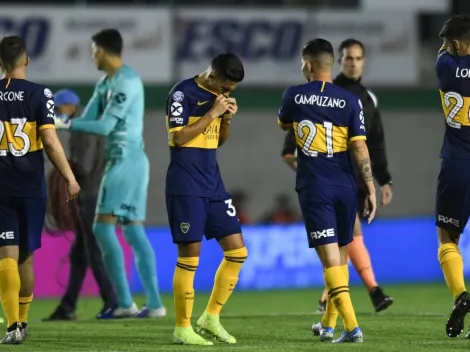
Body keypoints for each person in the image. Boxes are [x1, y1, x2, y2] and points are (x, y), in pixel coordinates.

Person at [53, 29, 165, 319]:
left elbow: (102, 127)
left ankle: (127, 303)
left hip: (127, 161)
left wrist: (63, 125)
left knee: (103, 228)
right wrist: (63, 120)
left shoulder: (127, 82)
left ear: (101, 50)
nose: (92, 56)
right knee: (132, 230)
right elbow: (87, 117)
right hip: (126, 162)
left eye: (92, 51)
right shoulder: (105, 83)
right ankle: (152, 305)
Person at [282, 38, 394, 314]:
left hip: (342, 182)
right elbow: (290, 147)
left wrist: (384, 179)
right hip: (341, 180)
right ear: (338, 62)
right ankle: (370, 291)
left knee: (339, 248)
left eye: (358, 58)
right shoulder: (345, 98)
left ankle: (341, 304)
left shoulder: (366, 98)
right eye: (349, 58)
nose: (353, 63)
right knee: (347, 241)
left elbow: (374, 142)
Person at [0, 36, 80, 344]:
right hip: (29, 186)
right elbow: (49, 140)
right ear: (27, 60)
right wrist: (69, 177)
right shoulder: (39, 93)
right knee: (26, 258)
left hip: (1, 186)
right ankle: (23, 321)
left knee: (5, 255)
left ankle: (12, 326)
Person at [165, 52, 247, 345]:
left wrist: (225, 120)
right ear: (212, 76)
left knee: (237, 252)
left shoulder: (218, 99)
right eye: (225, 87)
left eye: (231, 91)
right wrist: (212, 112)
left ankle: (210, 317)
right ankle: (182, 327)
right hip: (186, 184)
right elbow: (178, 138)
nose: (226, 93)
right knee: (189, 258)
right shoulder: (182, 93)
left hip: (213, 182)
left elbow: (218, 141)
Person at [42, 89, 117, 321]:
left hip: (90, 195)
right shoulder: (91, 119)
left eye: (57, 108)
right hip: (98, 192)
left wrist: (64, 172)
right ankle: (68, 306)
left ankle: (113, 303)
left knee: (93, 251)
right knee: (79, 254)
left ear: (69, 106)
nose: (55, 112)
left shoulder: (81, 126)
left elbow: (83, 165)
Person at [434, 15, 470, 339]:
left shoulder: (444, 66)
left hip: (457, 162)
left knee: (447, 239)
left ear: (457, 44)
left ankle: (461, 294)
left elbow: (446, 53)